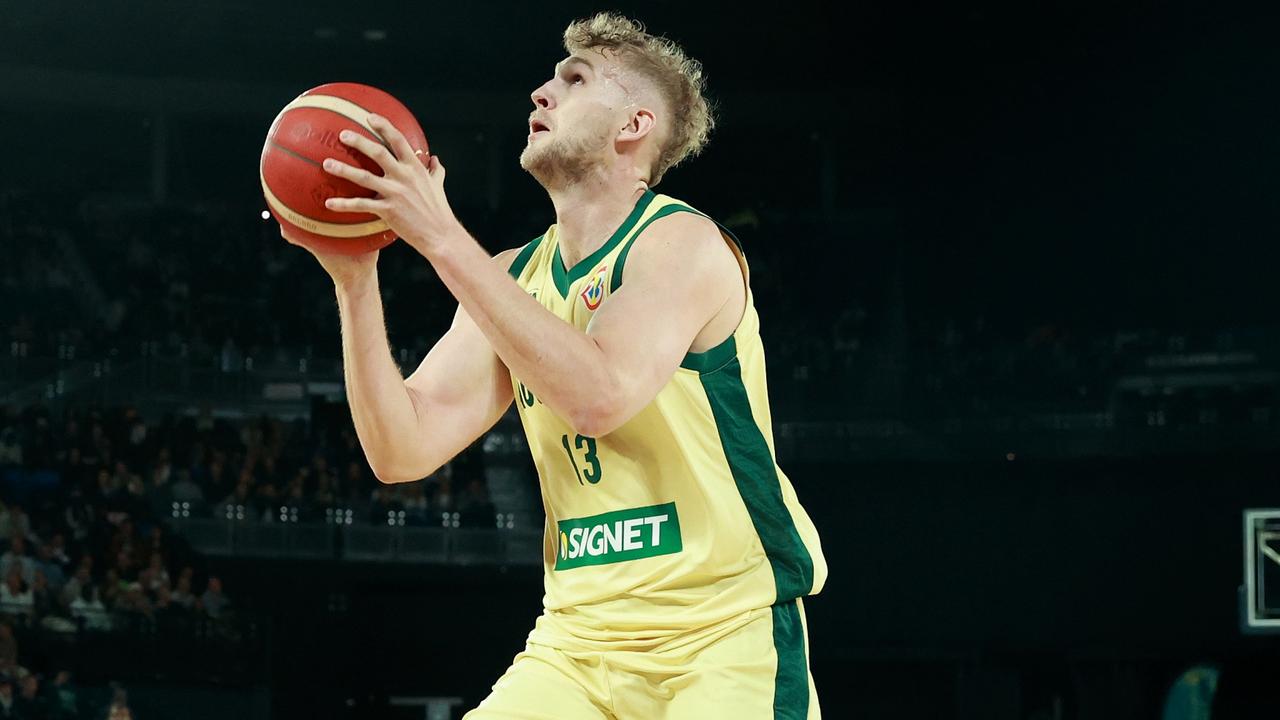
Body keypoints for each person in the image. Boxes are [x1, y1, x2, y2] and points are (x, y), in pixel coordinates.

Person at [283, 12, 826, 719]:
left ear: (633, 125)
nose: (541, 93)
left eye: (573, 80)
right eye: (549, 78)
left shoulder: (683, 244)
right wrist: (355, 283)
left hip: (719, 638)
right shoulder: (515, 276)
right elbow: (400, 448)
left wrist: (440, 234)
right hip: (577, 646)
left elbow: (598, 396)